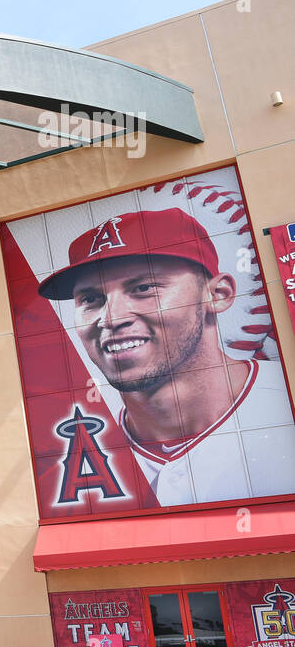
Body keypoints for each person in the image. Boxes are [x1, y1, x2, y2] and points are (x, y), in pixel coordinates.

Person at [38, 207, 295, 506]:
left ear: (218, 294)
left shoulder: (285, 397)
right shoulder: (69, 453)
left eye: (144, 288)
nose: (111, 319)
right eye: (91, 299)